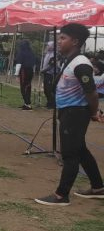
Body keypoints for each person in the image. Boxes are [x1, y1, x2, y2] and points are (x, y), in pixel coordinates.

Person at [35, 23, 104, 206]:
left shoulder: (81, 64)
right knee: (80, 150)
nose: (59, 41)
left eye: (63, 38)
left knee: (70, 154)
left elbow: (92, 92)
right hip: (69, 112)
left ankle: (61, 195)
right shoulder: (71, 59)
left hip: (75, 113)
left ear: (75, 41)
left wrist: (93, 112)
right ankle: (98, 188)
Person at [15, 39, 36, 110]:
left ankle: (28, 103)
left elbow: (19, 64)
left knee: (24, 87)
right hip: (30, 71)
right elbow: (34, 64)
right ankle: (26, 103)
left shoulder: (21, 53)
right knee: (28, 86)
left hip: (24, 70)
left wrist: (16, 74)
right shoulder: (31, 53)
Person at [42, 41, 56, 109]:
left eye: (48, 45)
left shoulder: (54, 54)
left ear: (52, 46)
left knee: (49, 89)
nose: (47, 47)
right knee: (45, 89)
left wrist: (43, 70)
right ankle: (49, 102)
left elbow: (51, 65)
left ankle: (52, 104)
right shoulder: (47, 53)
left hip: (50, 74)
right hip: (46, 73)